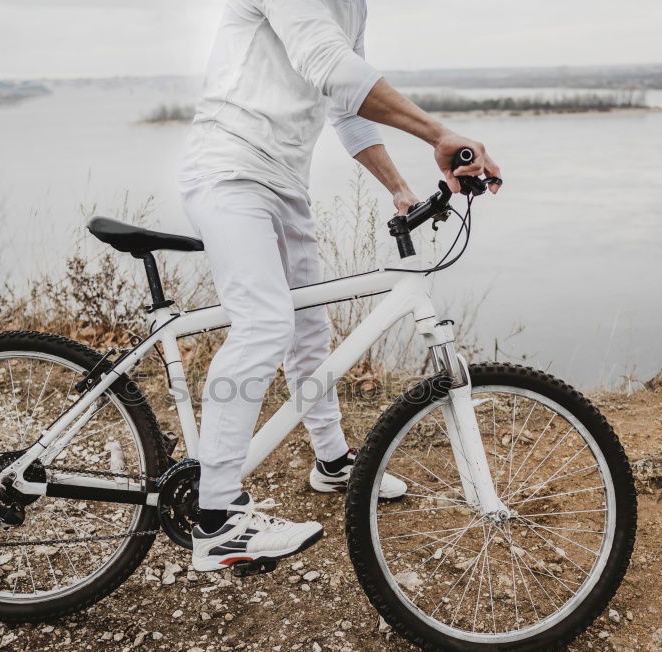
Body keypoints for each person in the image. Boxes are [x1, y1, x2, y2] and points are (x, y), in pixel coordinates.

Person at [179, 0, 502, 573]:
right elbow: (333, 66)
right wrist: (437, 131)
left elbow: (346, 107)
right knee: (265, 322)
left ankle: (332, 462)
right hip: (229, 171)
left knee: (310, 326)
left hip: (283, 183)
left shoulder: (351, 7)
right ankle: (218, 519)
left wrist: (398, 188)